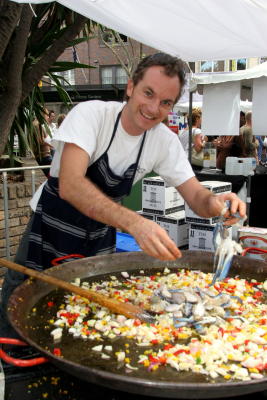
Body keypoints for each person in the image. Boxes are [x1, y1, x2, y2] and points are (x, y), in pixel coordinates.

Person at [0, 53, 246, 337]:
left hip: (99, 237)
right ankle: (14, 371)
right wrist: (136, 223)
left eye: (165, 102)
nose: (154, 108)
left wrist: (216, 203)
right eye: (148, 93)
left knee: (83, 315)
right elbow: (70, 184)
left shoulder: (163, 141)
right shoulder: (92, 115)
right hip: (50, 228)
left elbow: (197, 197)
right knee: (20, 305)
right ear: (130, 87)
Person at [32, 109, 53, 177]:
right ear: (42, 114)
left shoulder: (39, 125)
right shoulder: (37, 125)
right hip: (43, 156)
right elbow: (40, 141)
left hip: (45, 155)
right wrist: (52, 145)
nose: (48, 117)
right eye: (47, 115)